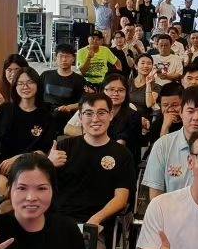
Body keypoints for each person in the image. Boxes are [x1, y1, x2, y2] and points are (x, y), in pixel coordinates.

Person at [49, 93, 137, 230]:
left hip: (98, 225)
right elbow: (42, 186)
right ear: (80, 117)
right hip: (59, 222)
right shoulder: (63, 147)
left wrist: (95, 220)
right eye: (88, 113)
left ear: (110, 115)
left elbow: (121, 198)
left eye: (101, 113)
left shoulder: (122, 154)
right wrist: (49, 165)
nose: (95, 119)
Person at [0, 66, 53, 158]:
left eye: (30, 82)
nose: (25, 87)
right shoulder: (5, 108)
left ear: (38, 85)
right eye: (20, 83)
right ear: (15, 87)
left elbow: (45, 150)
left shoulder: (46, 114)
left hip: (29, 163)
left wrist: (18, 159)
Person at [100, 72, 146, 155]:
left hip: (123, 157)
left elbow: (123, 142)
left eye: (121, 90)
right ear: (103, 91)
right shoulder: (94, 113)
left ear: (126, 93)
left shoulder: (134, 116)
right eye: (111, 89)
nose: (115, 93)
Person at [40, 46, 88, 116]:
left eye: (67, 56)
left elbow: (85, 102)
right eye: (61, 56)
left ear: (73, 59)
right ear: (55, 58)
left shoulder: (79, 79)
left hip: (66, 115)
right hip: (44, 113)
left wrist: (69, 107)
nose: (64, 59)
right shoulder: (46, 75)